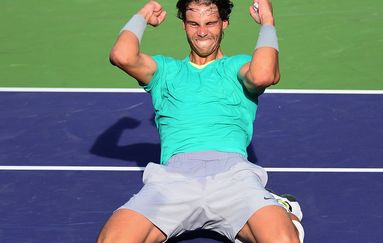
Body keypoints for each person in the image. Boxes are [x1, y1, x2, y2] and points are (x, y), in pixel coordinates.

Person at [98, 0, 304, 242]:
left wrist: (268, 22)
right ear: (184, 26)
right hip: (172, 182)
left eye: (210, 23)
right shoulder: (165, 71)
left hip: (234, 179)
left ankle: (282, 213)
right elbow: (121, 56)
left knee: (282, 240)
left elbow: (264, 75)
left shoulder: (236, 66)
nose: (202, 31)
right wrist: (143, 14)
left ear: (224, 23)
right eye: (194, 24)